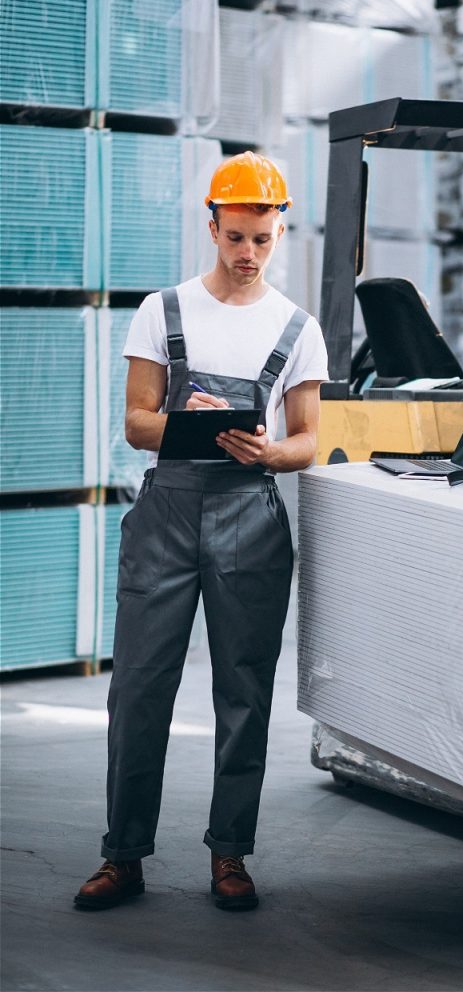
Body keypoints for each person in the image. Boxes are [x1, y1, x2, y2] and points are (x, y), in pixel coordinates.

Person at [74, 152, 328, 912]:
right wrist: (193, 430)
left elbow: (308, 438)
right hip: (169, 514)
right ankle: (123, 856)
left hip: (252, 514)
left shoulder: (296, 327)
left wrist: (269, 450)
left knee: (245, 692)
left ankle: (230, 855)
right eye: (236, 237)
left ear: (280, 231)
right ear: (212, 226)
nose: (249, 254)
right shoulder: (165, 311)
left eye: (263, 239)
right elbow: (135, 423)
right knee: (139, 687)